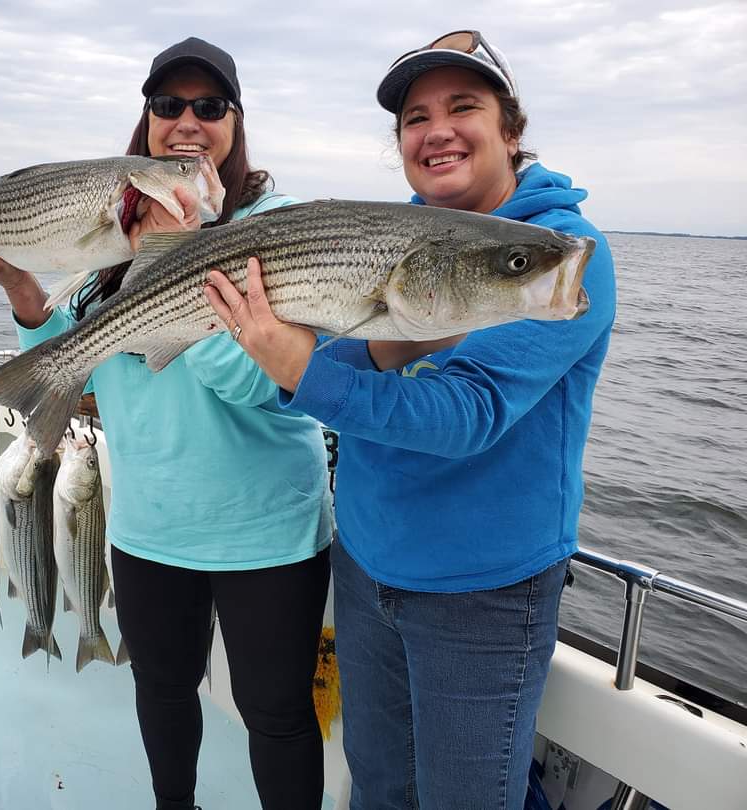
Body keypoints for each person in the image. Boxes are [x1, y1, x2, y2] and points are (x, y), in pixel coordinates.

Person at [204, 29, 617, 810]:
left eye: (464, 105)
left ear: (510, 129)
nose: (436, 129)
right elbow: (358, 365)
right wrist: (294, 361)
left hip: (484, 594)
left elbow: (469, 413)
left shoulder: (562, 257)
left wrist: (299, 371)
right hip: (364, 562)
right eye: (413, 117)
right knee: (378, 789)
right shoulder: (395, 238)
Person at [0, 37, 333, 810]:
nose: (187, 122)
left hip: (267, 532)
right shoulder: (113, 234)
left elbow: (264, 382)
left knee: (277, 715)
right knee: (162, 692)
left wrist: (174, 258)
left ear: (236, 122)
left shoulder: (280, 225)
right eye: (167, 106)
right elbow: (67, 362)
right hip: (149, 525)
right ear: (146, 123)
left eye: (209, 107)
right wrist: (15, 279)